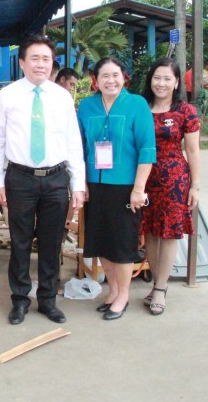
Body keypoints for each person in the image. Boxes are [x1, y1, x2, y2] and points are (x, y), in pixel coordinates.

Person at [0, 34, 85, 325]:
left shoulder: (62, 97)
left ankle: (48, 299)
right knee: (19, 242)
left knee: (51, 242)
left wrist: (77, 184)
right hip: (20, 178)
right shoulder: (7, 96)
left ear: (52, 63)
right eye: (35, 58)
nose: (41, 64)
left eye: (46, 59)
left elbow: (73, 142)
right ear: (22, 63)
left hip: (56, 178)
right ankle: (20, 300)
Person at [77, 56, 155, 321]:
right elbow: (80, 147)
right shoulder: (86, 106)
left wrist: (139, 189)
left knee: (122, 244)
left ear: (124, 78)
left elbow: (147, 149)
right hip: (96, 185)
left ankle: (123, 295)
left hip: (126, 186)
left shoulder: (137, 104)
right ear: (95, 80)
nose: (110, 81)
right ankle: (112, 291)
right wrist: (82, 182)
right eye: (104, 76)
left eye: (115, 75)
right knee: (102, 241)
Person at [140, 58, 201, 316]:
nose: (161, 83)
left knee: (169, 232)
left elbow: (193, 150)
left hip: (174, 178)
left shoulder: (186, 111)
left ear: (176, 82)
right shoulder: (141, 107)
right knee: (150, 231)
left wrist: (195, 185)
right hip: (144, 177)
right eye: (157, 77)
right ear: (150, 80)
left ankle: (160, 288)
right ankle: (157, 283)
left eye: (167, 78)